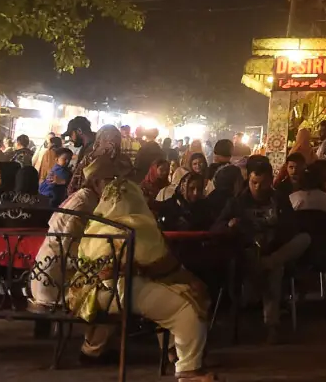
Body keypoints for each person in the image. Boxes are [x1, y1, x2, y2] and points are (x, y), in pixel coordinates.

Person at [66, 127, 218, 380]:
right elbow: (161, 265)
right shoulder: (138, 224)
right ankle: (189, 367)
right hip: (120, 292)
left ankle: (98, 350)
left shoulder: (97, 222)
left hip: (84, 295)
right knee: (186, 303)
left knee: (152, 290)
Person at [215, 154, 311, 339]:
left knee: (303, 239)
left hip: (275, 248)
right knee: (275, 269)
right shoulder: (237, 201)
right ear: (248, 180)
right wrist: (230, 225)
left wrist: (277, 233)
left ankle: (269, 263)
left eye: (263, 183)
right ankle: (271, 325)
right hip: (249, 251)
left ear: (270, 181)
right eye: (254, 183)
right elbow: (217, 226)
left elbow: (293, 226)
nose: (258, 188)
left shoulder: (279, 199)